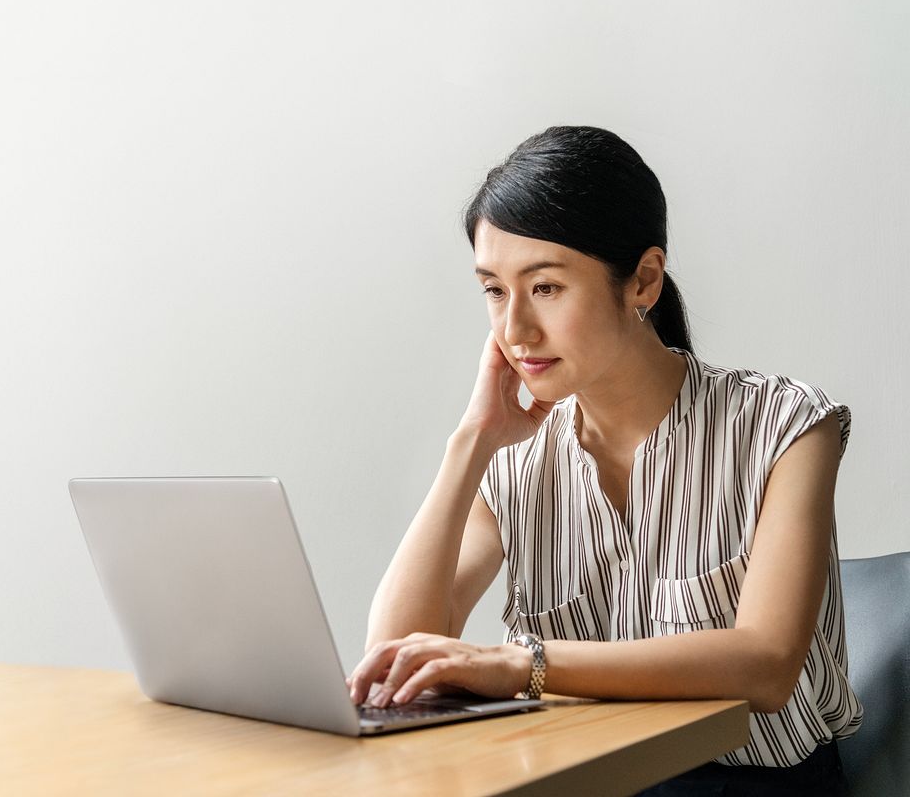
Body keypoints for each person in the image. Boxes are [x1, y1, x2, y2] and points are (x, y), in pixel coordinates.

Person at [347, 126, 862, 795]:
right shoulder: (512, 462)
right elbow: (392, 658)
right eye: (495, 291)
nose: (514, 332)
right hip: (576, 780)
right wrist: (470, 443)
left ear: (643, 279)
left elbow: (764, 664)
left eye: (546, 289)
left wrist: (522, 664)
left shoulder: (785, 425)